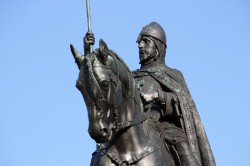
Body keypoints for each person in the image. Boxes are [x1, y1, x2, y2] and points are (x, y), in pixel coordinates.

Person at [83, 22, 215, 166]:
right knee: (99, 155)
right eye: (139, 42)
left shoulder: (171, 74)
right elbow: (99, 77)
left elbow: (182, 101)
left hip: (164, 126)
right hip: (128, 128)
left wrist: (157, 96)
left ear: (158, 47)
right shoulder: (130, 77)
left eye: (146, 42)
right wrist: (88, 52)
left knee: (185, 151)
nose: (140, 46)